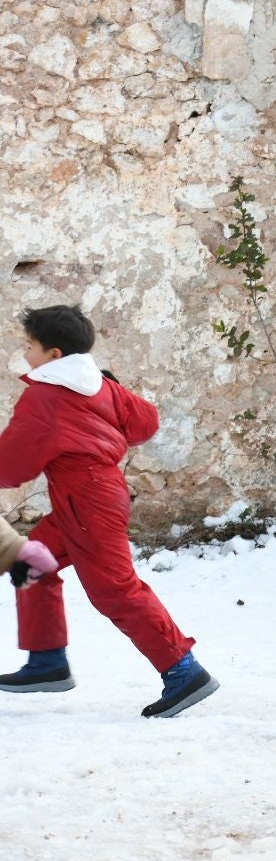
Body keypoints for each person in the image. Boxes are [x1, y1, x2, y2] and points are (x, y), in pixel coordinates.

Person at [0, 305, 220, 718]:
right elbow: (145, 423)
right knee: (30, 562)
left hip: (87, 502)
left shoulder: (45, 396)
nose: (23, 353)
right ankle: (46, 661)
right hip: (91, 495)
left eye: (29, 346)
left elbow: (12, 465)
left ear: (54, 355)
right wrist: (110, 397)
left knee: (114, 589)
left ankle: (182, 669)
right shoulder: (98, 384)